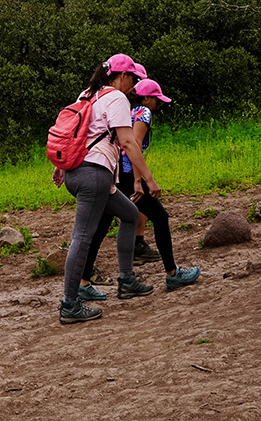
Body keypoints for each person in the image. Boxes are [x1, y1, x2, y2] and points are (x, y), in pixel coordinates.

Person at [58, 55, 165, 324]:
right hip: (93, 174)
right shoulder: (116, 98)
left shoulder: (88, 93)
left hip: (78, 171)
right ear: (121, 76)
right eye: (133, 78)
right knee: (82, 236)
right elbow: (128, 143)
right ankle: (70, 304)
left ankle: (127, 280)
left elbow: (75, 130)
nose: (135, 85)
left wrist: (61, 165)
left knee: (129, 214)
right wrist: (149, 179)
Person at [80, 78, 201, 293]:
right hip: (127, 174)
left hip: (113, 172)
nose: (159, 105)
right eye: (157, 100)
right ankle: (172, 274)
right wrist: (139, 181)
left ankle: (84, 282)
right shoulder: (144, 113)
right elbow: (132, 146)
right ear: (146, 98)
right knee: (160, 216)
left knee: (101, 226)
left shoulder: (125, 110)